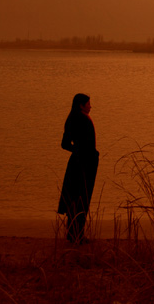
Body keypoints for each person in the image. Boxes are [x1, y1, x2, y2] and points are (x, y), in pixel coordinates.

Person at [57, 93, 99, 244]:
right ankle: (77, 234)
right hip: (84, 163)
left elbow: (65, 144)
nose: (90, 106)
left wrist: (78, 151)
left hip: (77, 162)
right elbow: (67, 144)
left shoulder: (72, 118)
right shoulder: (81, 119)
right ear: (81, 105)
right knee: (82, 197)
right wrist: (84, 152)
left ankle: (73, 233)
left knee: (75, 197)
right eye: (88, 104)